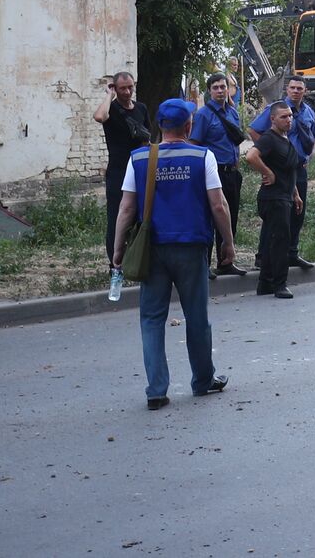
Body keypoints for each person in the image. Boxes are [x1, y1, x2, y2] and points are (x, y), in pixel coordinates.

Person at [112, 99, 233, 410]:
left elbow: (126, 208)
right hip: (192, 248)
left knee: (152, 319)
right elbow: (218, 205)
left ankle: (156, 390)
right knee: (197, 318)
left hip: (153, 250)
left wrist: (118, 250)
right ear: (189, 126)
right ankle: (203, 380)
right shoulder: (201, 156)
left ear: (159, 127)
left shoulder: (139, 158)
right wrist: (228, 243)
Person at [248, 76, 315, 271]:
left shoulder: (308, 111)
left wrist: (310, 155)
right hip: (280, 168)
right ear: (287, 89)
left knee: (297, 211)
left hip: (299, 168)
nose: (296, 91)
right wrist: (269, 156)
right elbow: (254, 130)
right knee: (276, 215)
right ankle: (263, 257)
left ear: (305, 91)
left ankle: (291, 253)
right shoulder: (277, 109)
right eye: (293, 88)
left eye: (300, 88)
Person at [190, 73, 248, 278]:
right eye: (215, 87)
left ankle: (225, 262)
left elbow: (235, 144)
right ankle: (203, 265)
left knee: (229, 218)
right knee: (209, 219)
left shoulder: (232, 112)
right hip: (212, 174)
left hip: (231, 173)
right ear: (209, 91)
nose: (220, 90)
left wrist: (237, 167)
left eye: (223, 87)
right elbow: (195, 144)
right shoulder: (203, 115)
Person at [245, 102, 304, 299]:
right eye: (283, 117)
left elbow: (287, 170)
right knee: (280, 241)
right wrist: (267, 172)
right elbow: (251, 156)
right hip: (273, 198)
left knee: (274, 239)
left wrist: (295, 193)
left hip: (285, 196)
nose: (288, 120)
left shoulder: (284, 139)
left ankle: (265, 283)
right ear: (272, 119)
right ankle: (280, 284)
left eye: (290, 116)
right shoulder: (269, 138)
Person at [94, 71, 150, 269]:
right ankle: (115, 264)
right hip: (118, 171)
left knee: (140, 216)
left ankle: (135, 259)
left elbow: (147, 140)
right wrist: (108, 95)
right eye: (122, 88)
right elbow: (100, 117)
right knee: (117, 217)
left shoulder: (141, 108)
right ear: (115, 88)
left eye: (130, 87)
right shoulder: (112, 109)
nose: (127, 92)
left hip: (139, 169)